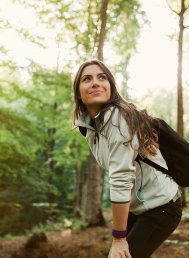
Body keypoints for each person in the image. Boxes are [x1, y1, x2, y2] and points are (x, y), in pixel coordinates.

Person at [72, 59, 182, 258]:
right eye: (87, 79)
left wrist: (119, 237)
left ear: (111, 87)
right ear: (79, 92)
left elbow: (121, 177)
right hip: (140, 206)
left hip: (162, 206)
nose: (95, 82)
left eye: (102, 77)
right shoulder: (90, 128)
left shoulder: (116, 118)